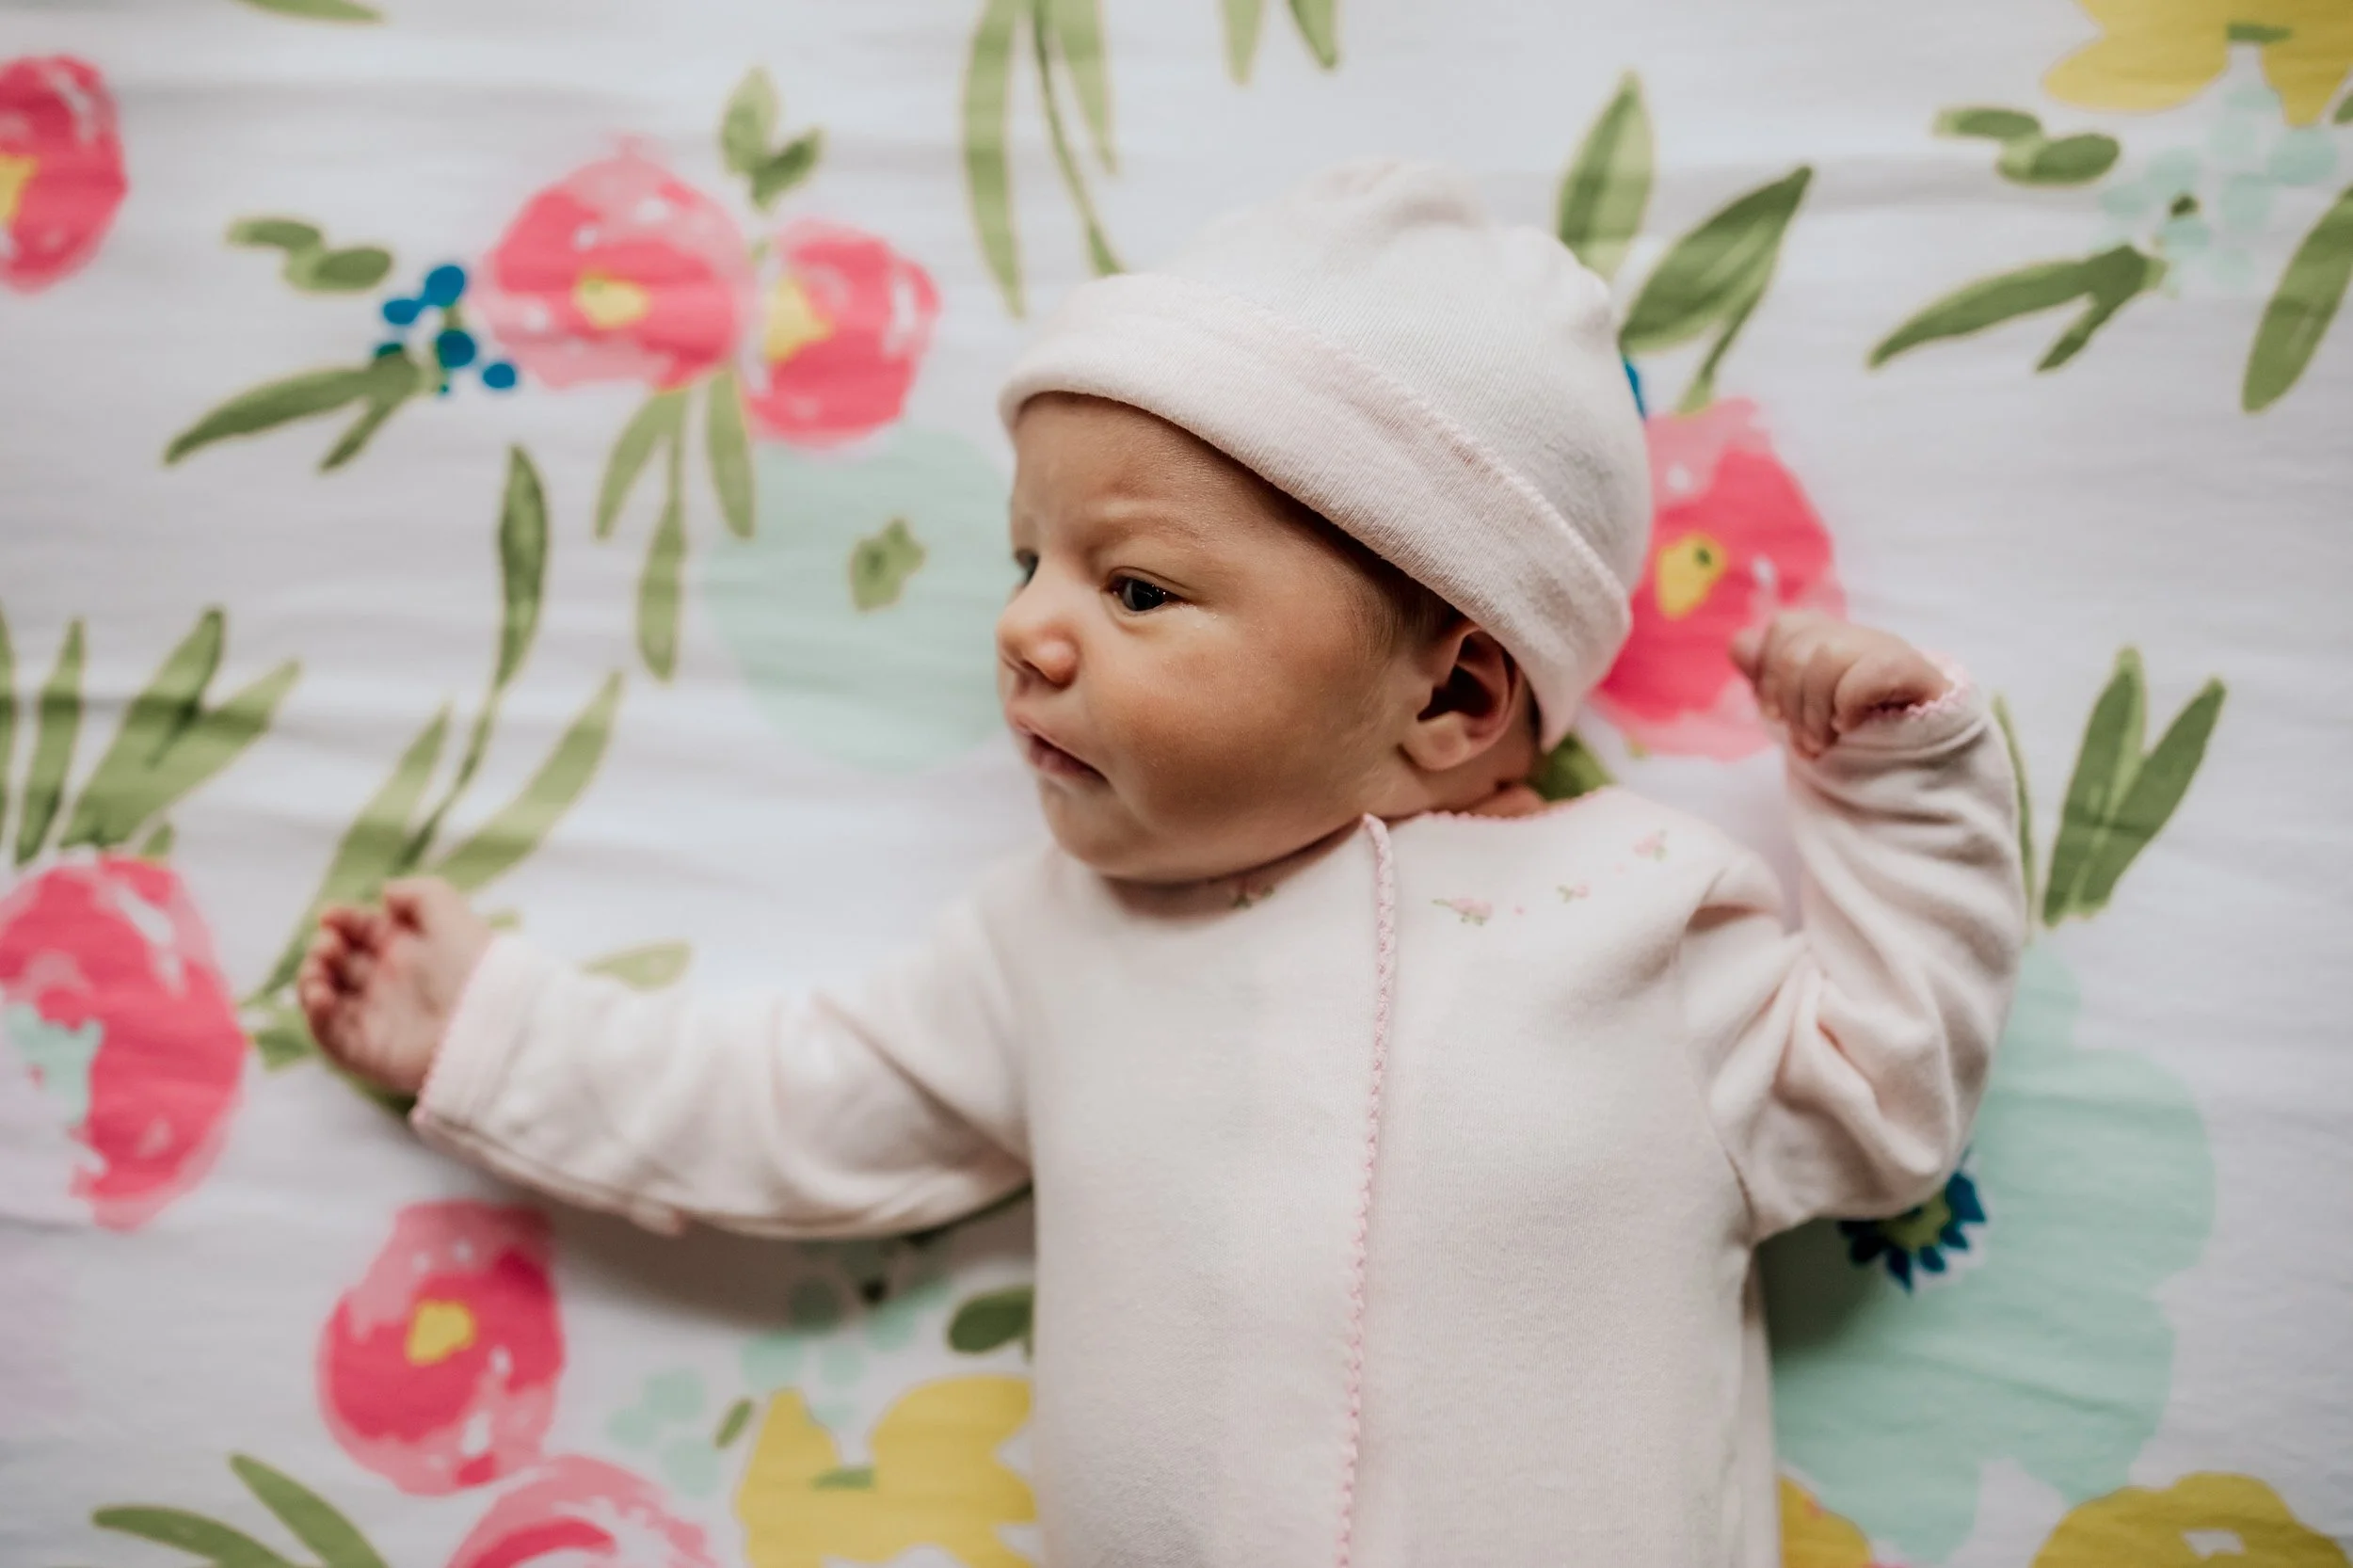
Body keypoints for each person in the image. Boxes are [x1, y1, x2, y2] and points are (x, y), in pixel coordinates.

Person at [299, 160, 2025, 1566]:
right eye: (1026, 560)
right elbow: (789, 1104)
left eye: (1133, 587)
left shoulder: (1635, 919)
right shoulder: (1056, 944)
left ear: (1455, 695)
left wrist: (1900, 783)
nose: (1025, 629)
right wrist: (502, 1033)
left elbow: (1886, 1093)